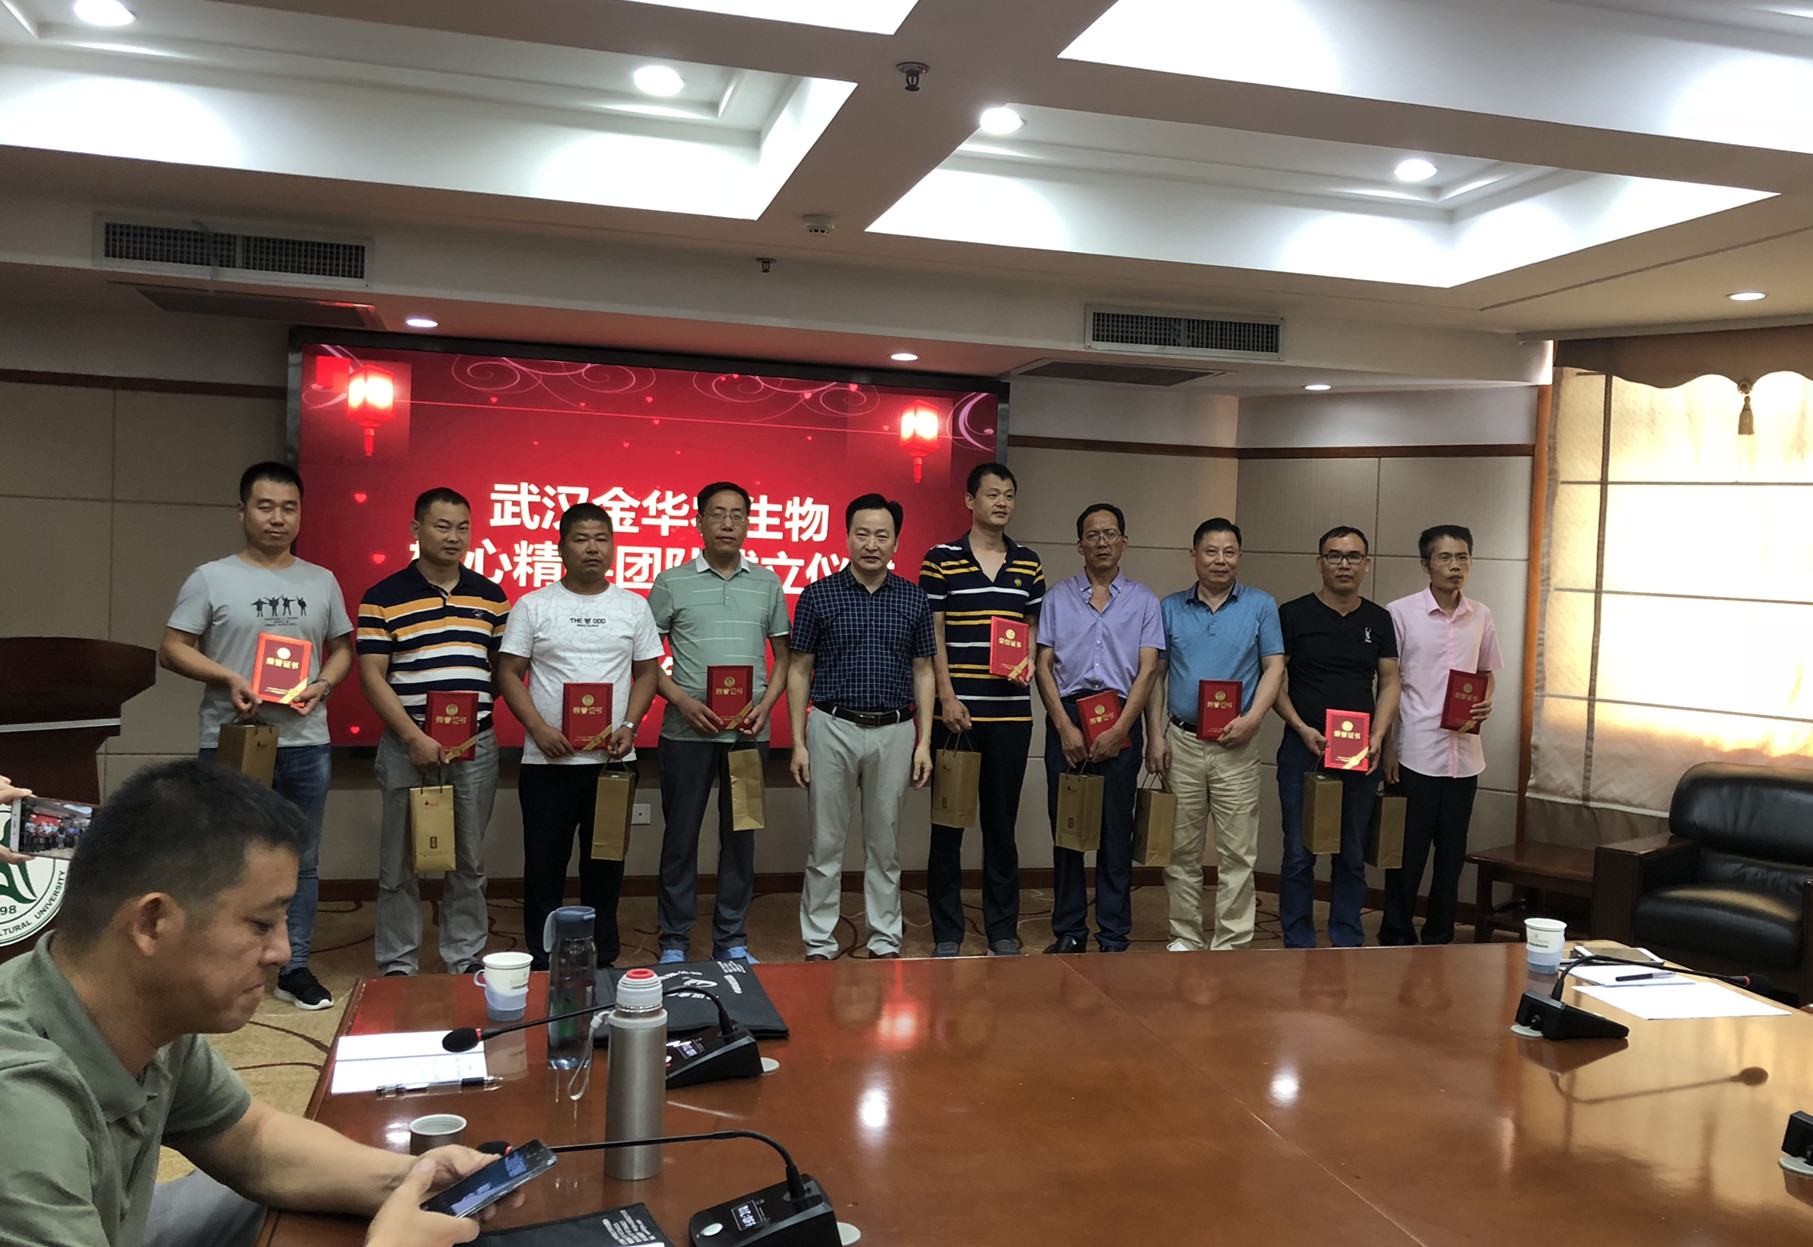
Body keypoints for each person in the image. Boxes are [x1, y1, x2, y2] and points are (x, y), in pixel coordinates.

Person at [0, 759, 517, 1247]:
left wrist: (413, 1178)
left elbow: (252, 1142)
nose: (282, 953)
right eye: (261, 924)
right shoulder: (22, 1107)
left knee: (253, 1193)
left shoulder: (147, 1015)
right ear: (153, 923)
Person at [160, 461, 354, 1011]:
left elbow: (343, 649)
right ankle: (223, 962)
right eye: (265, 506)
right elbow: (172, 647)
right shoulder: (211, 577)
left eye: (289, 508)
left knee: (303, 859)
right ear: (242, 511)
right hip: (234, 739)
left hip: (306, 740)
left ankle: (294, 967)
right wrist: (228, 677)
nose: (277, 518)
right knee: (227, 855)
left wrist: (323, 684)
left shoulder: (321, 580)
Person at [496, 503, 661, 971]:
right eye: (582, 539)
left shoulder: (633, 606)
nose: (593, 548)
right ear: (561, 547)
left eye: (602, 539)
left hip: (612, 766)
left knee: (605, 866)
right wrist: (538, 729)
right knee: (544, 867)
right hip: (547, 764)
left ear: (613, 546)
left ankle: (602, 956)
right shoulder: (534, 605)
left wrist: (630, 726)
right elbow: (508, 672)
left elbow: (648, 673)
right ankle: (542, 957)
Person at [357, 487, 511, 977]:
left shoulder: (491, 596)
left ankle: (463, 958)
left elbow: (503, 673)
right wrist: (413, 736)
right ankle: (398, 962)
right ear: (416, 529)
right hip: (407, 746)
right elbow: (372, 677)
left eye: (463, 527)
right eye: (442, 526)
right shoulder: (382, 597)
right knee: (399, 862)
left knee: (468, 859)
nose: (454, 537)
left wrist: (471, 720)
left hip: (475, 748)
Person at [647, 481, 792, 965]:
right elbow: (644, 658)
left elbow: (784, 657)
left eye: (737, 515)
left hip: (747, 736)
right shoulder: (671, 582)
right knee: (680, 838)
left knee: (740, 840)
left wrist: (765, 706)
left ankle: (731, 938)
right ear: (699, 522)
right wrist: (682, 701)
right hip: (685, 734)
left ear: (748, 523)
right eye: (717, 514)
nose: (727, 523)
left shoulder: (768, 582)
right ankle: (674, 939)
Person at [789, 494, 935, 961]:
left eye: (882, 535)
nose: (872, 544)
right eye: (862, 534)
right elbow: (798, 669)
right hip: (832, 726)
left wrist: (924, 742)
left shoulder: (914, 598)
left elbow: (924, 672)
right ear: (847, 536)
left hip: (895, 730)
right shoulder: (818, 595)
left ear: (896, 542)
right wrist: (797, 742)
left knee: (885, 846)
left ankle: (885, 939)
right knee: (825, 845)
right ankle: (818, 941)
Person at [920, 462, 1046, 957]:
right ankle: (948, 931)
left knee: (1001, 827)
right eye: (992, 494)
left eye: (1009, 495)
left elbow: (1031, 627)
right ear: (970, 501)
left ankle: (1001, 929)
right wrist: (947, 697)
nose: (1002, 502)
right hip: (957, 718)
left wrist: (1027, 659)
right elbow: (933, 634)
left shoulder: (1028, 563)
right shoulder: (941, 559)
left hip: (1012, 717)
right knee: (948, 827)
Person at [1144, 518, 1285, 952]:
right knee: (1180, 850)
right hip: (1182, 742)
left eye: (1229, 552)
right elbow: (1156, 676)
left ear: (1239, 556)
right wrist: (1156, 736)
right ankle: (1185, 936)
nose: (1220, 560)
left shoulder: (1261, 605)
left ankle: (1232, 943)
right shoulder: (1169, 607)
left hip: (1236, 745)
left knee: (1238, 852)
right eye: (1211, 551)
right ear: (1194, 556)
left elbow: (1274, 668)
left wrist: (1253, 719)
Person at [1033, 504, 1163, 953]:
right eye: (1093, 535)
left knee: (1115, 831)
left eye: (1110, 534)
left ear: (1124, 542)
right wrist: (1064, 728)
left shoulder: (1144, 601)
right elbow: (1043, 666)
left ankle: (1113, 933)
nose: (1102, 542)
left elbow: (1148, 671)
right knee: (1068, 829)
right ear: (1079, 545)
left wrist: (1121, 729)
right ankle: (1070, 930)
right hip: (1069, 717)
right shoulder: (1057, 598)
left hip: (1120, 718)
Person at [1273, 525, 1401, 949]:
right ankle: (1299, 940)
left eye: (1353, 556)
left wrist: (1379, 736)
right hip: (1303, 748)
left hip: (1359, 751)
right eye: (1334, 555)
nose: (1344, 564)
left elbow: (1390, 681)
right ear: (1319, 563)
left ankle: (1347, 938)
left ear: (1366, 564)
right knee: (1299, 852)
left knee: (1351, 852)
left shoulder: (1379, 620)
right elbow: (1273, 680)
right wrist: (1301, 727)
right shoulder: (1293, 614)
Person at [1380, 525, 1502, 945]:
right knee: (1407, 853)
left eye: (1462, 557)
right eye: (1445, 557)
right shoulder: (1400, 613)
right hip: (1415, 751)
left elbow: (1485, 674)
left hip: (1465, 755)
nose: (1455, 566)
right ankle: (1396, 933)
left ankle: (1440, 936)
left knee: (1452, 856)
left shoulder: (1480, 615)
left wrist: (1485, 700)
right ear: (1425, 564)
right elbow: (1387, 683)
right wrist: (1387, 748)